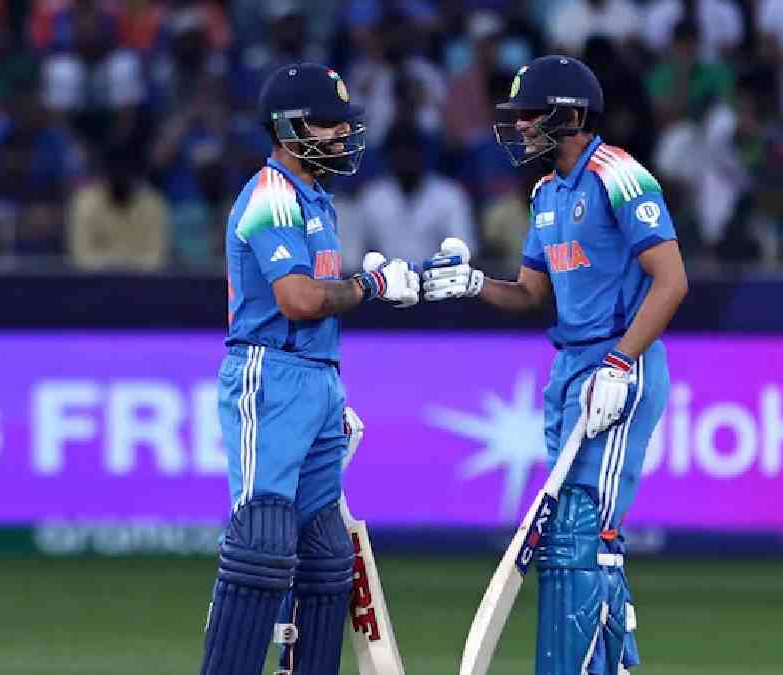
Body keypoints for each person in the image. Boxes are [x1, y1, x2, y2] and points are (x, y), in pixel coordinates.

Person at [422, 55, 688, 675]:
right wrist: (473, 283)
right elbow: (530, 293)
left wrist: (619, 364)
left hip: (620, 362)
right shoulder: (545, 193)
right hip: (570, 369)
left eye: (530, 115)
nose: (519, 126)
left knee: (583, 529)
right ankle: (606, 662)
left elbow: (672, 281)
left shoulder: (619, 175)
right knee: (572, 534)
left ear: (568, 115)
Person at [198, 62, 418, 675]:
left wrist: (327, 388)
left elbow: (319, 303)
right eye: (327, 123)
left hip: (317, 376)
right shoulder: (270, 196)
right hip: (268, 375)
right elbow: (297, 299)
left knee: (324, 554)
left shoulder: (316, 199)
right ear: (289, 128)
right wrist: (372, 286)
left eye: (344, 123)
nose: (342, 134)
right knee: (263, 542)